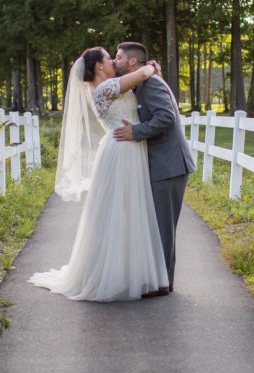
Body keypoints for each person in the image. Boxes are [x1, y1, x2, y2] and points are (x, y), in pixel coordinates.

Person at [29, 47, 170, 301]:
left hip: (128, 148)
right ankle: (110, 275)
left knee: (129, 212)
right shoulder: (105, 88)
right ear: (98, 67)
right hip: (122, 151)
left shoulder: (110, 85)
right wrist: (151, 67)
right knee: (119, 213)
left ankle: (128, 272)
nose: (112, 61)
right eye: (108, 58)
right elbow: (140, 76)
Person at [112, 42, 196, 296]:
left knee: (163, 226)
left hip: (169, 165)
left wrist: (136, 132)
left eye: (118, 57)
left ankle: (164, 284)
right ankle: (157, 278)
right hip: (159, 163)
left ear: (133, 62)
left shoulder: (152, 84)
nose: (115, 62)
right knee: (156, 224)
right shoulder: (141, 83)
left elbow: (166, 116)